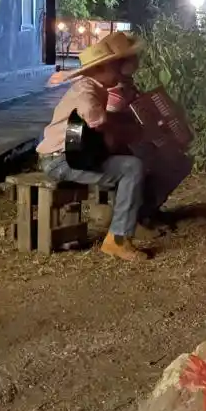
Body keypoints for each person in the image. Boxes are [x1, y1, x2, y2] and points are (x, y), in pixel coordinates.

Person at [37, 32, 155, 262]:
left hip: (68, 155)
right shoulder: (86, 90)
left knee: (127, 159)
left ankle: (129, 222)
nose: (121, 71)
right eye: (116, 66)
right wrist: (130, 130)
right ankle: (117, 240)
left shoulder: (95, 87)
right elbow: (97, 121)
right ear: (101, 68)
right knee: (132, 167)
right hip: (61, 160)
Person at [105, 51, 192, 229]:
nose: (137, 60)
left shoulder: (128, 87)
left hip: (137, 145)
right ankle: (141, 213)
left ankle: (147, 209)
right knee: (171, 162)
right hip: (123, 149)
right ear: (121, 64)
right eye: (133, 58)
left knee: (178, 161)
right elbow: (110, 129)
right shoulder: (115, 94)